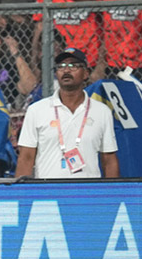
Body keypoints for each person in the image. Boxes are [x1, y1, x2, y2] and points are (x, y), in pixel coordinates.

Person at [16, 48, 120, 178]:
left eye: (73, 66)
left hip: (88, 188)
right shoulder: (36, 110)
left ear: (85, 73)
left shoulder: (102, 111)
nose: (66, 70)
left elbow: (109, 160)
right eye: (61, 66)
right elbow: (26, 157)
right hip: (48, 187)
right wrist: (22, 190)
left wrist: (112, 190)